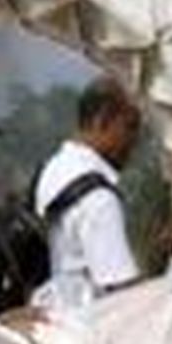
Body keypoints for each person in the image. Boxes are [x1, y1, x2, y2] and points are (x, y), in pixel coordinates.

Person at [32, 75, 143, 310]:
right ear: (102, 121)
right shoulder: (98, 199)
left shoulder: (54, 169)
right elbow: (122, 292)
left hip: (57, 311)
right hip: (90, 322)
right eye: (130, 127)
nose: (135, 141)